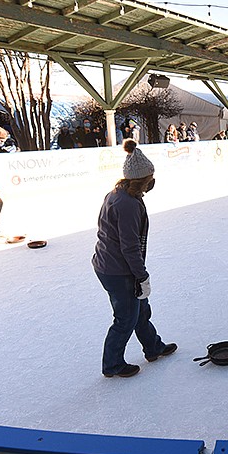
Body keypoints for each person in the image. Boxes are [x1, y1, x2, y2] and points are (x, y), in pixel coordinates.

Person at [93, 139, 177, 378]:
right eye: (151, 177)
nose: (153, 181)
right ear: (142, 180)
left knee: (140, 310)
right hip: (117, 270)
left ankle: (153, 347)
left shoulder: (119, 193)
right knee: (126, 317)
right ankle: (112, 364)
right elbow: (130, 247)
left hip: (110, 264)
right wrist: (142, 276)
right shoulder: (128, 204)